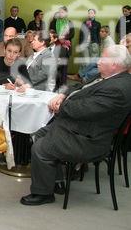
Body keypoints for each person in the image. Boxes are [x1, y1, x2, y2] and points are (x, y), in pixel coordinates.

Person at [20, 45, 131, 206]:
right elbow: (80, 86)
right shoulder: (109, 77)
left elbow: (84, 110)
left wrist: (60, 105)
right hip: (78, 127)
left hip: (88, 139)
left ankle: (43, 193)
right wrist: (63, 94)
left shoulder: (118, 89)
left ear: (114, 64)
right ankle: (56, 180)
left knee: (40, 148)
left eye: (102, 58)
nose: (98, 61)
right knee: (38, 135)